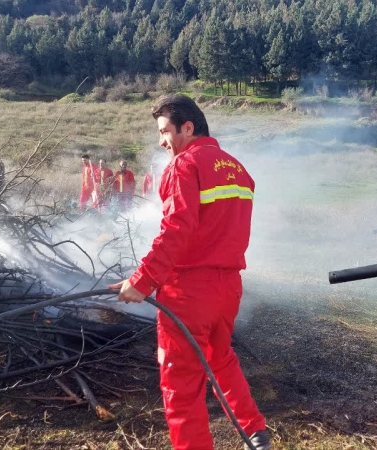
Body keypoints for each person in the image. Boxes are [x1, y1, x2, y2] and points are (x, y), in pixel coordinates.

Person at [109, 94, 270, 450]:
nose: (162, 141)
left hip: (189, 291)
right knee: (220, 357)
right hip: (228, 288)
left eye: (165, 131)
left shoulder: (184, 165)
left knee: (180, 385)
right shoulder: (238, 169)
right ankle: (255, 431)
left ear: (188, 127)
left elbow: (177, 231)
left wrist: (143, 280)